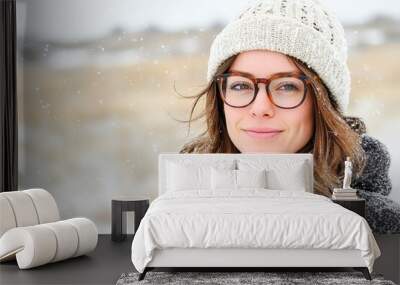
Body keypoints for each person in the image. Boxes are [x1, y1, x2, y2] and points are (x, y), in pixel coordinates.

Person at [178, 0, 399, 234]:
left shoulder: (378, 231)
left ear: (323, 104)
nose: (260, 107)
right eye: (241, 85)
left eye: (286, 86)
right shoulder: (182, 205)